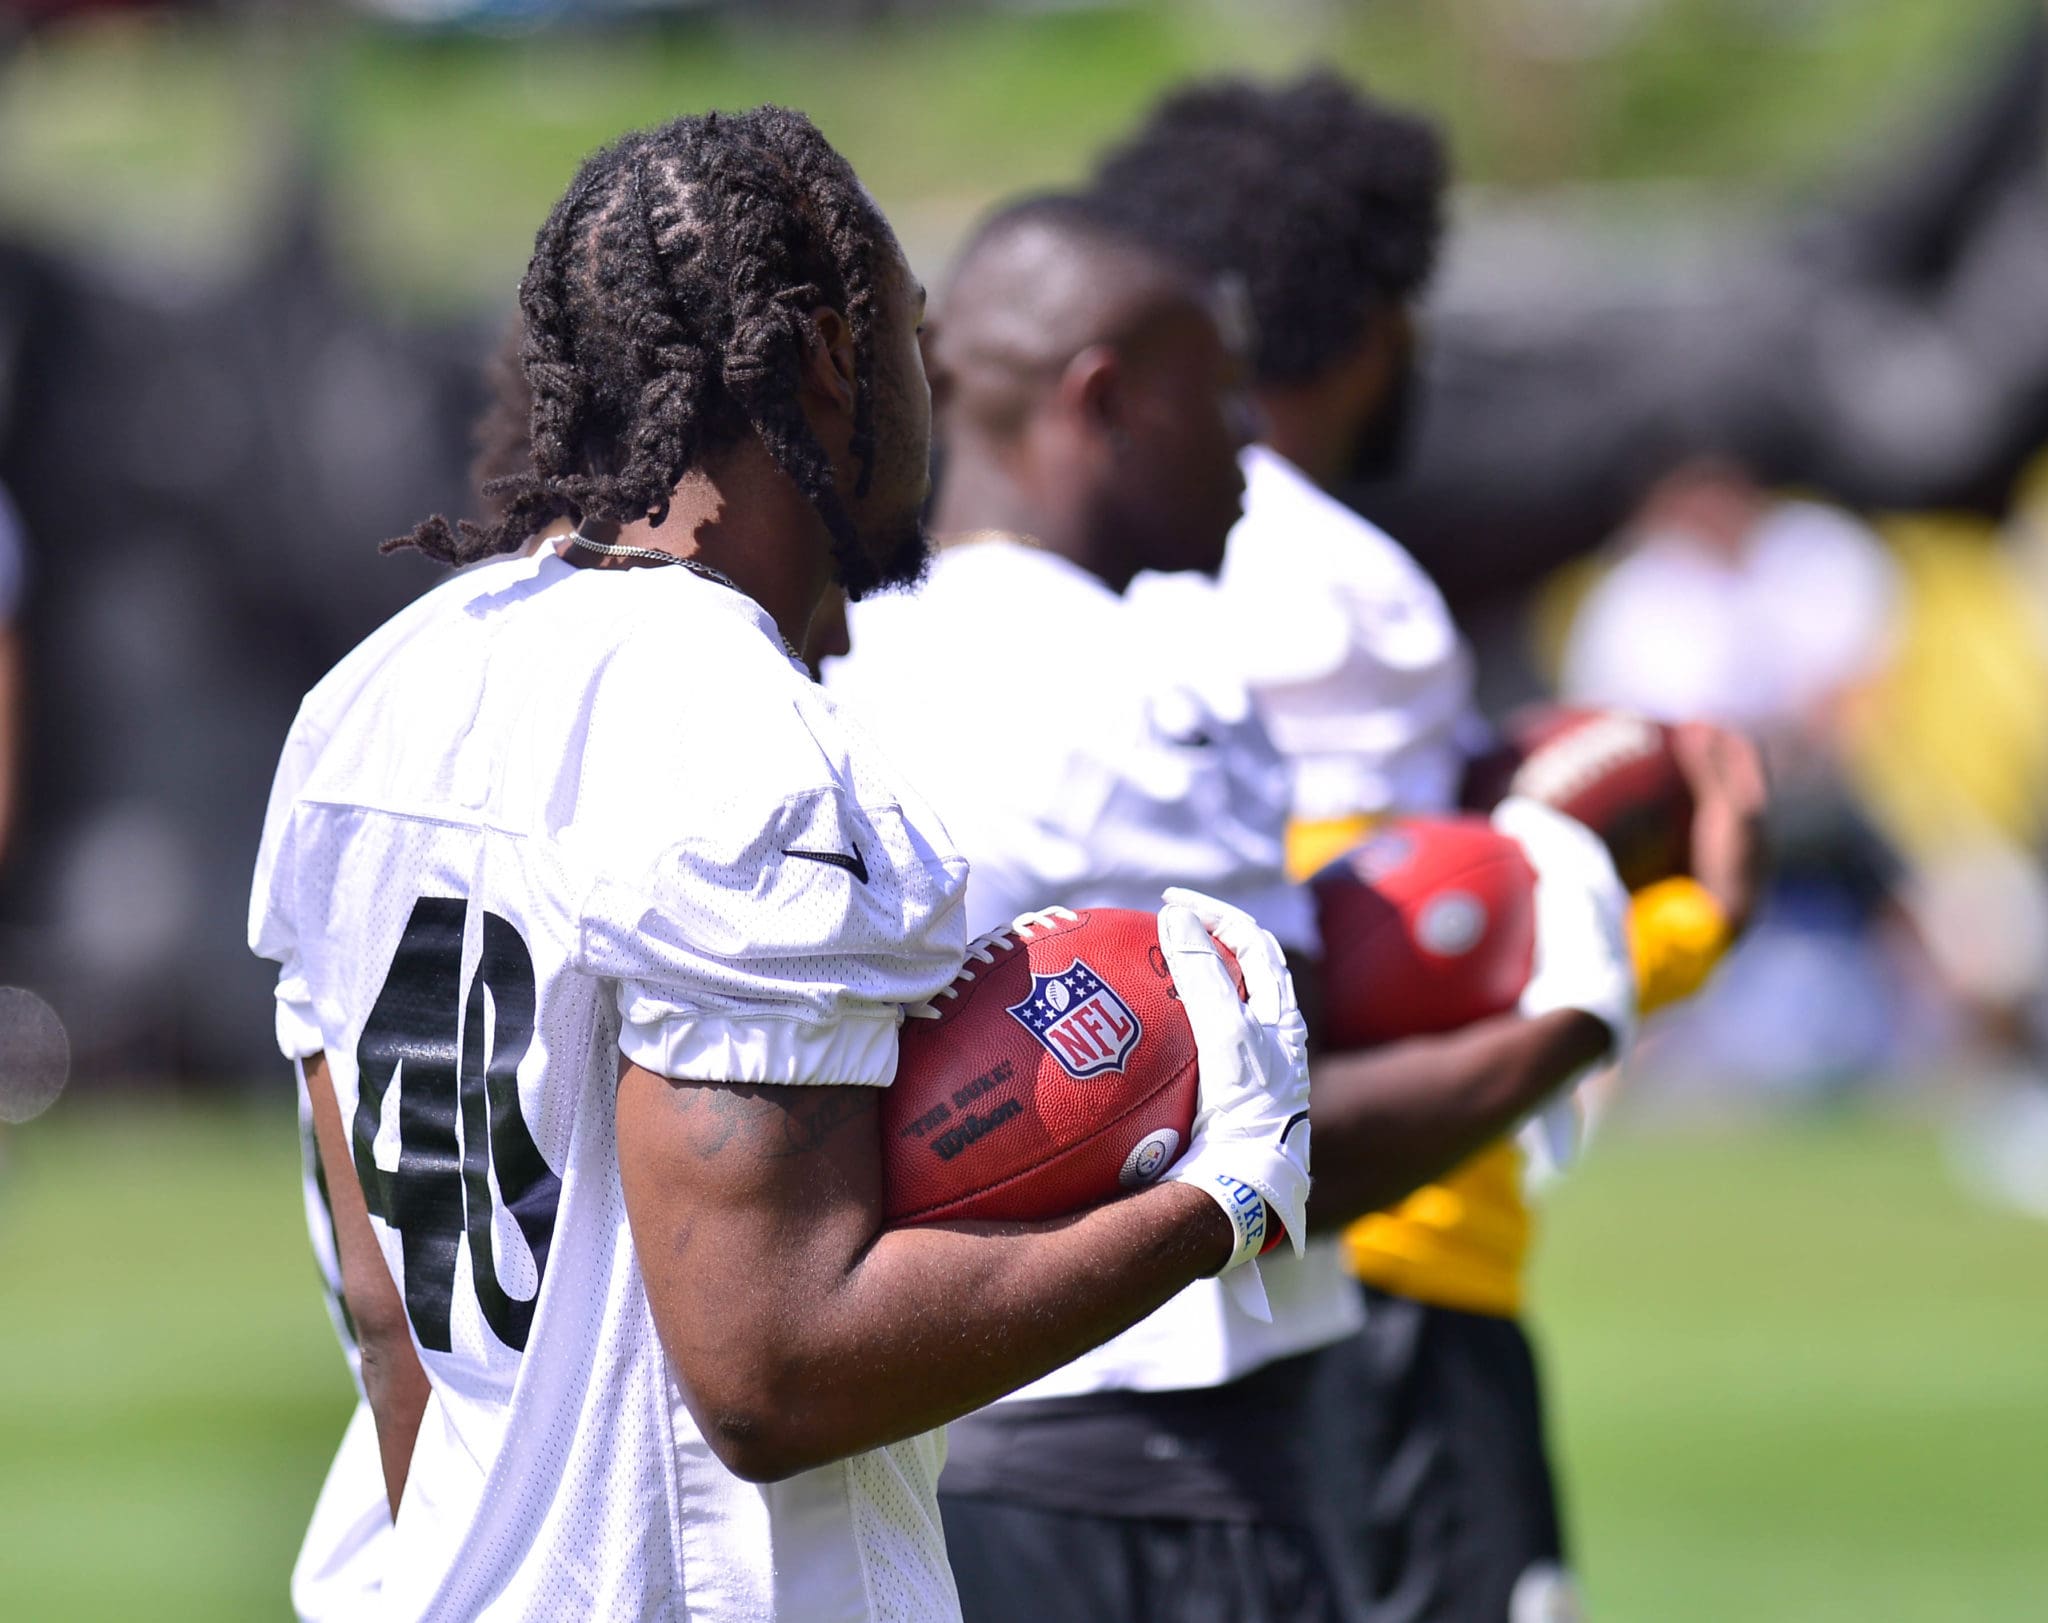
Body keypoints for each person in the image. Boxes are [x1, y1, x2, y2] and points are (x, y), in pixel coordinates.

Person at [249, 108, 1312, 1623]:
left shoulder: (374, 696)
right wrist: (1217, 1200)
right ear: (825, 360)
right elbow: (773, 1374)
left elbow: (382, 1310)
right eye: (910, 339)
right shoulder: (735, 737)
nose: (929, 395)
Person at [826, 192, 1638, 1623]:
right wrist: (1567, 1009)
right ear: (1104, 402)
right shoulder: (1134, 687)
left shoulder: (847, 645)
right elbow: (1278, 1121)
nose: (1253, 457)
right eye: (1216, 399)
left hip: (936, 1427)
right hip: (1163, 1449)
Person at [1093, 74, 1767, 1621]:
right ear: (1371, 317)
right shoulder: (1337, 584)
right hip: (1392, 1268)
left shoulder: (1071, 558)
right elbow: (1378, 968)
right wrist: (1683, 922)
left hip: (1123, 1308)